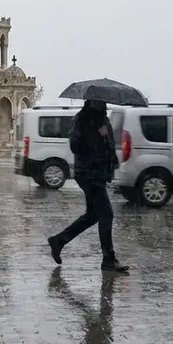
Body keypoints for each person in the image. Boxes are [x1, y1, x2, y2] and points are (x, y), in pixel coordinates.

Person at [46, 99, 129, 273]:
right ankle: (108, 259)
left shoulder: (103, 119)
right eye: (99, 101)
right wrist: (95, 135)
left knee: (93, 215)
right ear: (91, 102)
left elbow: (108, 145)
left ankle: (59, 240)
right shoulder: (81, 119)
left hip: (100, 173)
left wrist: (112, 163)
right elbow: (76, 146)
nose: (102, 104)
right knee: (106, 214)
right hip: (88, 173)